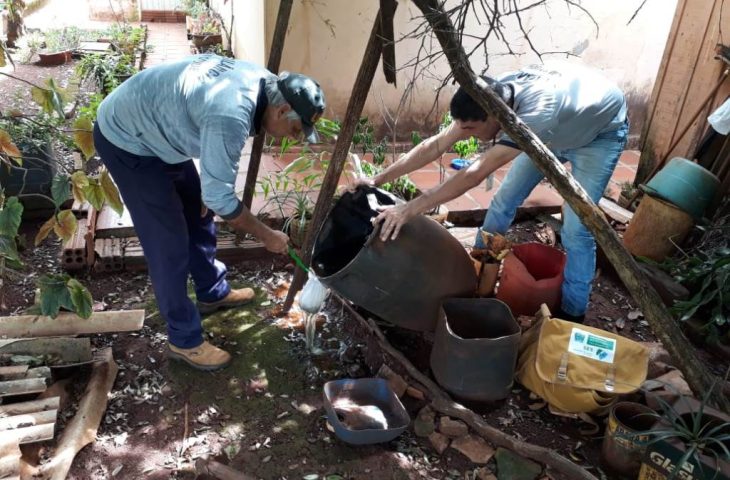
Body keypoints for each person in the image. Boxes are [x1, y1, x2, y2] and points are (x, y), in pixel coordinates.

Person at [94, 54, 326, 370]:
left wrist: (212, 189)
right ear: (282, 110)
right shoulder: (232, 112)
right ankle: (183, 340)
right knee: (169, 243)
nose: (295, 137)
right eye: (297, 128)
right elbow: (221, 188)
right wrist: (267, 235)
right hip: (128, 139)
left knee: (199, 212)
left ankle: (211, 292)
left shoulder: (267, 85)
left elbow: (207, 129)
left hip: (160, 128)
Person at [356, 62, 628, 323]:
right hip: (553, 128)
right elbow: (435, 145)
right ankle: (477, 275)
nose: (466, 135)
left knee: (576, 230)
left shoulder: (536, 114)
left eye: (472, 129)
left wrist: (409, 209)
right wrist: (378, 179)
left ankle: (572, 314)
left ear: (495, 117)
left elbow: (475, 172)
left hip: (597, 135)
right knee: (503, 202)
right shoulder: (487, 95)